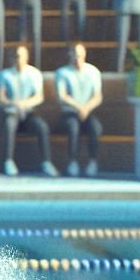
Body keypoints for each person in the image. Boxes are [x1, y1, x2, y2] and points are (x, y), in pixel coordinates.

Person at [0, 43, 57, 179]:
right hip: (11, 112)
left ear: (27, 57)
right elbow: (0, 99)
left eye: (21, 56)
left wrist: (24, 104)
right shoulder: (5, 75)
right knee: (9, 124)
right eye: (16, 56)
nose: (19, 59)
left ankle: (46, 162)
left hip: (28, 113)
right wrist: (14, 103)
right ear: (12, 58)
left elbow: (38, 96)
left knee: (42, 127)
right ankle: (8, 161)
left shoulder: (34, 74)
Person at [55, 42, 103, 178]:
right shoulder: (62, 73)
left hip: (88, 112)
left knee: (96, 127)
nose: (77, 58)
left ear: (85, 55)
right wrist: (79, 107)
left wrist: (86, 108)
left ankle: (93, 162)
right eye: (75, 55)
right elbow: (62, 96)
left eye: (80, 55)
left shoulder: (93, 71)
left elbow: (98, 96)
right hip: (69, 113)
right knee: (72, 127)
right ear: (70, 55)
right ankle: (72, 162)